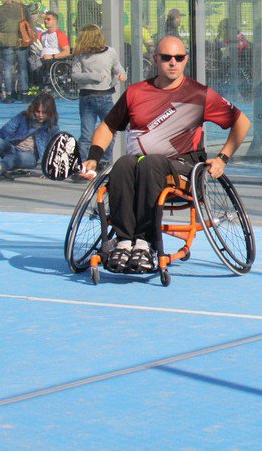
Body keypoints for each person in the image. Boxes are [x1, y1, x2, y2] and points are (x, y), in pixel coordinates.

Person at [79, 36, 251, 273]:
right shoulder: (135, 92)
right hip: (139, 166)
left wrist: (222, 158)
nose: (173, 62)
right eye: (167, 57)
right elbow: (107, 127)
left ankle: (144, 242)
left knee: (150, 163)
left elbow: (242, 122)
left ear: (185, 60)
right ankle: (124, 242)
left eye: (179, 58)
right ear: (155, 59)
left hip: (182, 168)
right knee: (123, 164)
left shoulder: (199, 94)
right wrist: (93, 158)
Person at [71, 24, 127, 172]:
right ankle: (84, 165)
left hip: (105, 97)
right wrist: (93, 77)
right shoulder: (80, 55)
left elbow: (117, 66)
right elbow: (75, 75)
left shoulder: (110, 52)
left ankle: (103, 160)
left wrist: (121, 74)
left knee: (110, 130)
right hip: (87, 97)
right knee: (86, 134)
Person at [0, 93, 60, 182]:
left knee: (14, 157)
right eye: (37, 111)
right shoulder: (23, 117)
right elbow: (5, 131)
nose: (40, 115)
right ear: (33, 109)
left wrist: (49, 170)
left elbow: (57, 150)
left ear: (50, 112)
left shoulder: (52, 127)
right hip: (12, 148)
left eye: (44, 112)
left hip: (30, 157)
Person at [0, 0, 31, 103]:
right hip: (21, 42)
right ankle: (24, 94)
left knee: (8, 68)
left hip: (6, 42)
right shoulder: (24, 9)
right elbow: (31, 26)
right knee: (23, 68)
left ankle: (8, 95)